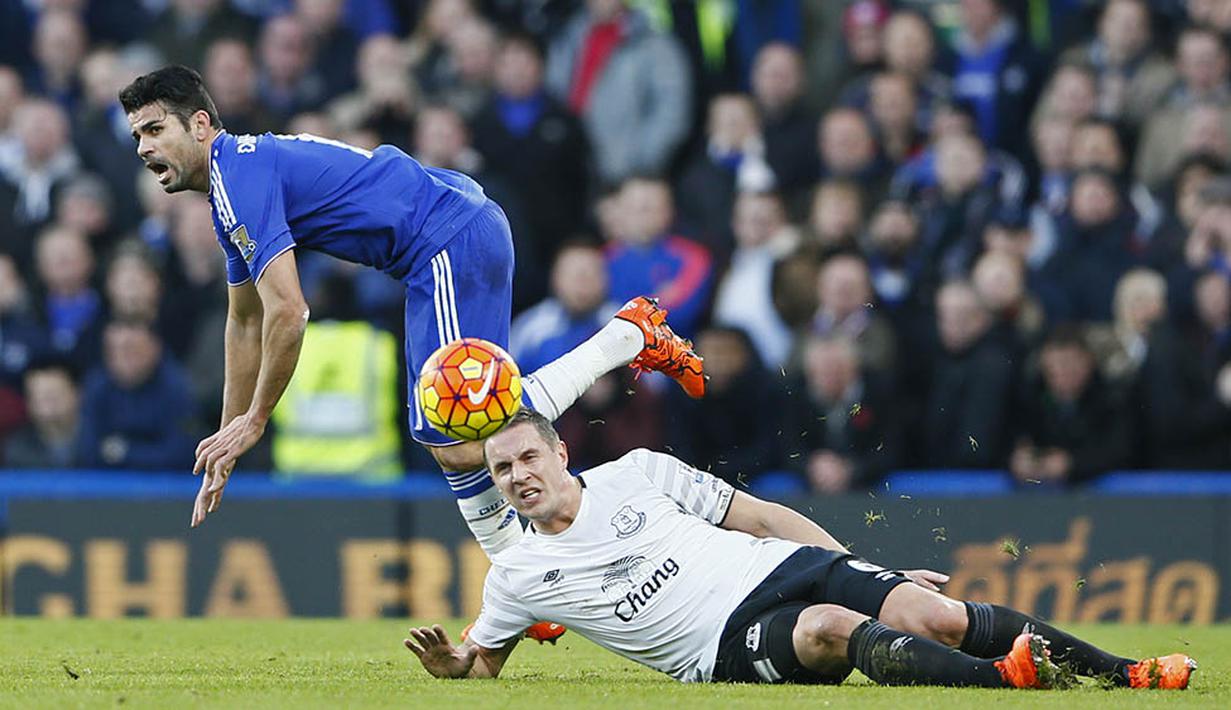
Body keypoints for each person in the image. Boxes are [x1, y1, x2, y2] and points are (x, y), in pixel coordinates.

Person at [117, 66, 704, 574]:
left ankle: (627, 337)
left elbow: (289, 313)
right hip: (441, 242)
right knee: (452, 438)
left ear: (199, 124)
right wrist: (230, 432)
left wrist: (257, 419)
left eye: (154, 129)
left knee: (464, 426)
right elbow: (243, 321)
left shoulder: (238, 178)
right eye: (137, 135)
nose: (142, 148)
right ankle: (528, 575)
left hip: (445, 241)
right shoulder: (229, 188)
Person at [402, 408, 1195, 690]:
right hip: (716, 642)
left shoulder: (637, 472)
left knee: (935, 613)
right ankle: (1006, 681)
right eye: (501, 470)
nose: (516, 477)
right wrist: (455, 666)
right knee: (824, 628)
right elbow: (486, 662)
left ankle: (1127, 673)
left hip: (772, 564)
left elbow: (759, 517)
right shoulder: (517, 574)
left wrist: (868, 567)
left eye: (526, 458)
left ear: (559, 454)